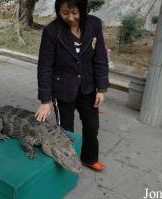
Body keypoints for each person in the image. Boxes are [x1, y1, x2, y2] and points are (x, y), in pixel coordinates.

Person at [35, 0, 109, 171]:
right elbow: (45, 67)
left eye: (75, 12)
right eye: (65, 13)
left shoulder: (94, 24)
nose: (70, 17)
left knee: (92, 126)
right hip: (62, 89)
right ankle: (66, 162)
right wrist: (45, 100)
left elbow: (100, 58)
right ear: (58, 12)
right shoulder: (51, 31)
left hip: (88, 87)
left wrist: (101, 88)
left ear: (82, 9)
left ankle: (89, 158)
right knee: (65, 132)